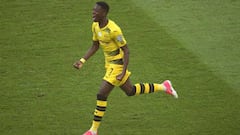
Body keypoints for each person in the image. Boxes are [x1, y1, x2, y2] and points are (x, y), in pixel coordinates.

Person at [73, 1, 178, 135]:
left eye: (96, 11)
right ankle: (164, 86)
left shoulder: (114, 30)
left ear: (104, 13)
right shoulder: (95, 26)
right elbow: (95, 45)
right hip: (109, 64)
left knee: (101, 94)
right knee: (130, 90)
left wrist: (122, 72)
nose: (93, 13)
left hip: (117, 65)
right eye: (93, 11)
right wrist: (82, 61)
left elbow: (126, 51)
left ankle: (93, 130)